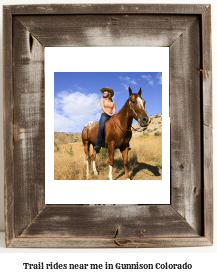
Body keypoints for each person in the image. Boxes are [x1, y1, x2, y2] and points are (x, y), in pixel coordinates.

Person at [94, 87, 116, 153]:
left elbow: (114, 109)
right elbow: (103, 108)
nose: (103, 92)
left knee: (118, 126)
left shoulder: (113, 102)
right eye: (103, 92)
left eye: (105, 91)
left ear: (109, 93)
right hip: (105, 115)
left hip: (112, 115)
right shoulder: (102, 99)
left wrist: (113, 114)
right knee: (101, 127)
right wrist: (109, 114)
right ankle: (98, 145)